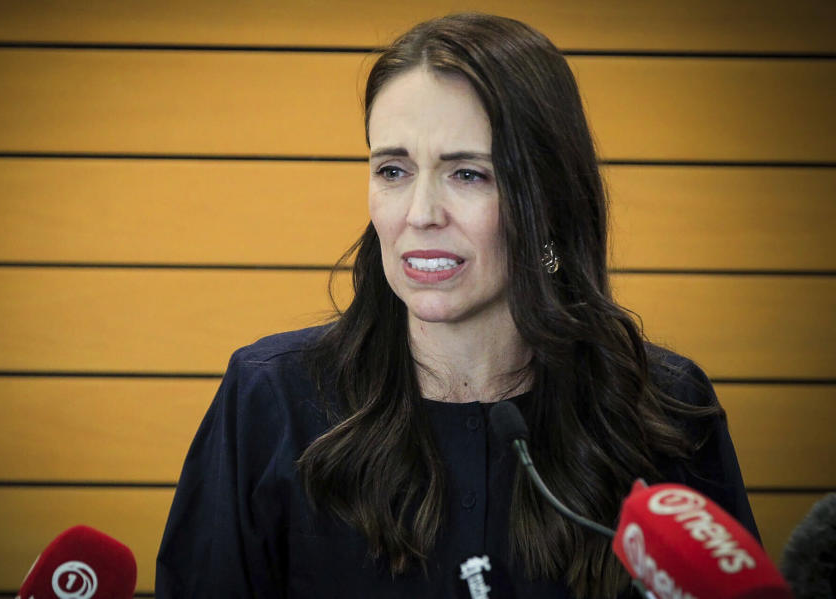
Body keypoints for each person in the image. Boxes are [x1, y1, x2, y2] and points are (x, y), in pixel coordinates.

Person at [156, 13, 758, 599]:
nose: (420, 214)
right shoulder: (270, 399)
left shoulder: (666, 409)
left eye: (468, 174)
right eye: (392, 169)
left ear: (546, 199)